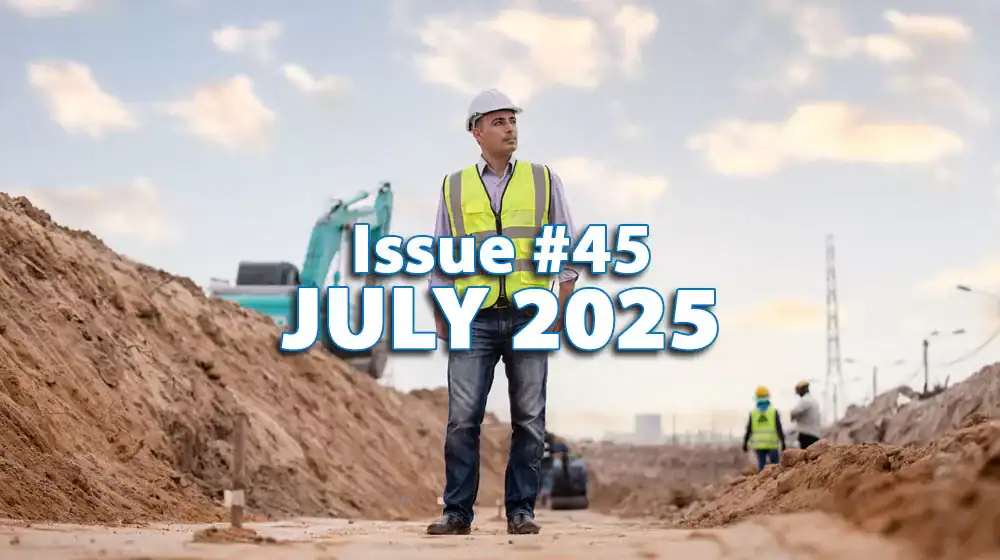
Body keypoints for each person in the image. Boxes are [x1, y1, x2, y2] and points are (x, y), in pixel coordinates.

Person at [424, 88, 580, 536]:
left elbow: (568, 248)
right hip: (472, 317)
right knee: (462, 420)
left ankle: (521, 511)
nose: (510, 129)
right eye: (499, 122)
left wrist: (561, 305)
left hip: (530, 314)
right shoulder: (454, 185)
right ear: (477, 132)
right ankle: (457, 513)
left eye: (512, 121)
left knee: (530, 420)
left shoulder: (543, 178)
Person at [742, 385, 786, 471]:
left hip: (759, 444)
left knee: (762, 467)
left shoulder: (754, 413)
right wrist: (783, 441)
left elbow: (749, 430)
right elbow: (779, 428)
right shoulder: (773, 411)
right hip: (772, 443)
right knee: (776, 467)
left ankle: (762, 482)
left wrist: (745, 443)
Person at [790, 381, 822, 449]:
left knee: (806, 456)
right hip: (815, 434)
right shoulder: (814, 401)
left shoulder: (805, 400)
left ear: (802, 390)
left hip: (806, 434)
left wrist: (794, 418)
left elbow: (794, 413)